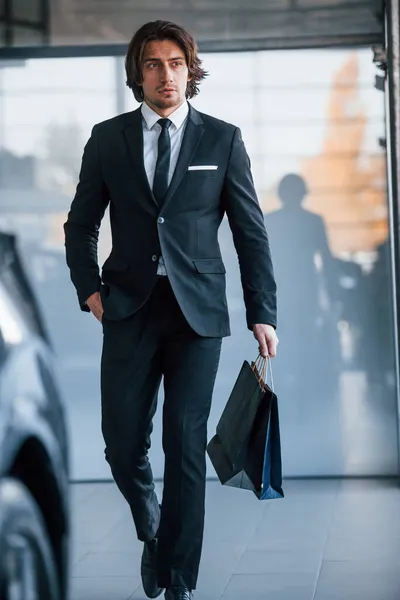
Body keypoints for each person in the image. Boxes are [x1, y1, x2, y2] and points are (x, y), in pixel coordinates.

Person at [64, 20, 278, 600]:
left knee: (184, 446)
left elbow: (250, 232)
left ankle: (180, 579)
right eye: (154, 64)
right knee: (121, 442)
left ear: (191, 70)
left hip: (197, 317)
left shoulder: (223, 140)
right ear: (139, 74)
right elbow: (80, 225)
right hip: (128, 310)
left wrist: (263, 311)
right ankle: (152, 530)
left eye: (176, 63)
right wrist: (91, 291)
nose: (167, 75)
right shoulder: (107, 139)